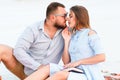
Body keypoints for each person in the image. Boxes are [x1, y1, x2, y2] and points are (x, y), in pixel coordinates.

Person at [24, 5, 106, 80]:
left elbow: (102, 57)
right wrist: (66, 41)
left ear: (79, 18)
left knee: (60, 75)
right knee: (47, 67)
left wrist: (79, 62)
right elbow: (66, 62)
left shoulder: (90, 33)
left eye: (70, 16)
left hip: (86, 74)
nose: (67, 19)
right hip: (73, 70)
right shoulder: (72, 35)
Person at [0, 2, 67, 80]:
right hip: (25, 70)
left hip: (46, 76)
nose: (66, 18)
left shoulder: (66, 33)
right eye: (64, 16)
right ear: (52, 18)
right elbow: (18, 50)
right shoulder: (33, 29)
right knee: (1, 49)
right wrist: (38, 66)